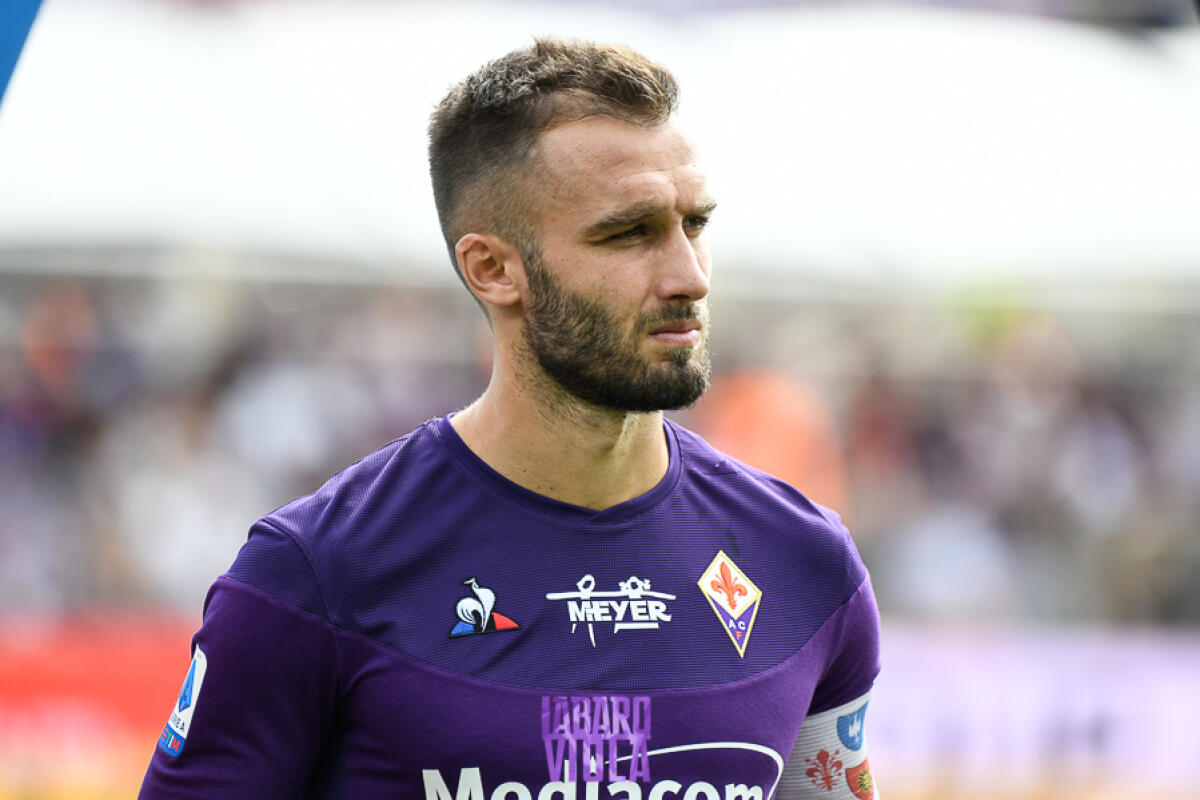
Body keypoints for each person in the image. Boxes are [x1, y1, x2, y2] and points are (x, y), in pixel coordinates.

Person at [139, 37, 881, 800]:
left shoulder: (806, 565)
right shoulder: (316, 574)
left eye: (694, 224)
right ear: (492, 269)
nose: (688, 276)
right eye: (629, 233)